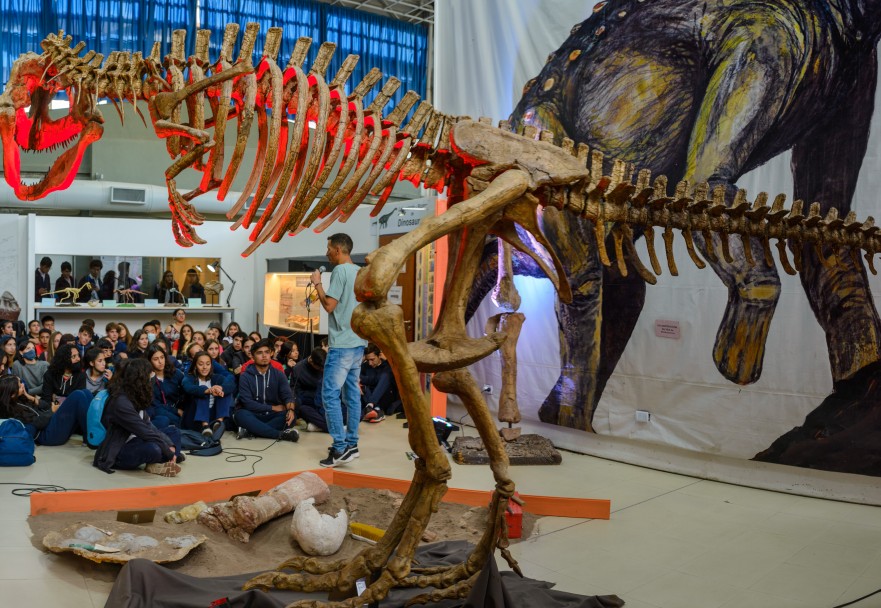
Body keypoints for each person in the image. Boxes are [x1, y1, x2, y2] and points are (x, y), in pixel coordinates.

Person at [311, 233, 366, 467]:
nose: (326, 253)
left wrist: (317, 284)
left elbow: (329, 305)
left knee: (330, 395)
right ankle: (351, 443)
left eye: (329, 248)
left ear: (339, 250)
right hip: (357, 342)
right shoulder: (359, 272)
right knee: (352, 395)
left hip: (342, 344)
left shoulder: (341, 271)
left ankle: (340, 448)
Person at [93, 359, 182, 476]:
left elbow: (150, 426)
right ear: (141, 378)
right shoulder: (121, 402)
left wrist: (168, 446)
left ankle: (155, 463)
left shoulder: (135, 395)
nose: (153, 377)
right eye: (150, 374)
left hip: (137, 439)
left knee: (174, 431)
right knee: (154, 448)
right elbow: (145, 432)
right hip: (119, 451)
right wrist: (170, 452)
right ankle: (161, 460)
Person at [233, 339, 299, 442]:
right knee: (240, 415)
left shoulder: (279, 374)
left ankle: (251, 430)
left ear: (271, 354)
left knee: (291, 416)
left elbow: (288, 395)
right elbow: (247, 403)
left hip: (272, 416)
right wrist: (273, 407)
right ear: (252, 356)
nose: (264, 356)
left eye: (267, 352)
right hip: (252, 414)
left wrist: (291, 409)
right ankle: (280, 435)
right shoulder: (245, 376)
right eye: (259, 353)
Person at [0, 375, 90, 445]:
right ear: (12, 394)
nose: (23, 385)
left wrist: (31, 398)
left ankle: (92, 432)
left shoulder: (20, 398)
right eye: (20, 386)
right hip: (46, 435)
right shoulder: (11, 410)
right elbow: (37, 423)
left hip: (49, 422)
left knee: (86, 392)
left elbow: (46, 406)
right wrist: (52, 411)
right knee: (78, 395)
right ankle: (90, 438)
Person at [183, 351, 235, 437]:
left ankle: (218, 423)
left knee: (224, 391)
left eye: (207, 364)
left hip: (212, 417)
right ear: (195, 365)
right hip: (195, 418)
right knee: (203, 391)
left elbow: (231, 385)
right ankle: (205, 426)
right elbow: (188, 388)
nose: (204, 367)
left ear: (211, 365)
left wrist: (220, 389)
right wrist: (207, 391)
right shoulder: (189, 377)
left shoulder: (216, 378)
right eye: (201, 364)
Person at [144, 343, 184, 429]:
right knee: (172, 419)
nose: (160, 362)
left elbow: (186, 387)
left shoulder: (175, 372)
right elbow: (154, 403)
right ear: (149, 361)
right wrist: (176, 411)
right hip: (159, 409)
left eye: (162, 357)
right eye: (155, 359)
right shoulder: (147, 378)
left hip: (178, 405)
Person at [360, 344, 401, 421]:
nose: (370, 363)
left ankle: (370, 406)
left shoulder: (387, 366)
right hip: (369, 394)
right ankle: (376, 409)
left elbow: (377, 380)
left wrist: (366, 379)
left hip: (386, 396)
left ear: (379, 356)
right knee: (363, 387)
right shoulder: (365, 366)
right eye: (368, 360)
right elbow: (357, 377)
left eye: (372, 359)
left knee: (386, 376)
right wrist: (362, 360)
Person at [290, 348, 327, 432]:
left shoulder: (326, 364)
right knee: (302, 408)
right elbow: (295, 392)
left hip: (327, 399)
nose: (322, 370)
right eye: (320, 368)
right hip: (310, 401)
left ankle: (319, 425)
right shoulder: (298, 369)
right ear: (311, 361)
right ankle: (334, 427)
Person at [40, 344, 87, 408]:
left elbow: (78, 400)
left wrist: (57, 398)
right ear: (64, 359)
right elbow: (46, 399)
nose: (78, 359)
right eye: (73, 356)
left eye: (78, 355)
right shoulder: (50, 374)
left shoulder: (81, 375)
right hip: (52, 409)